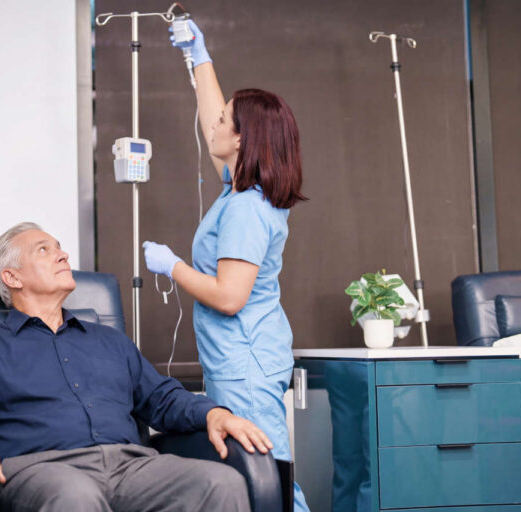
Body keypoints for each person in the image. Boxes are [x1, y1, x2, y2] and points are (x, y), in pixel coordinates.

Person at [0, 222, 275, 512]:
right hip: (43, 470)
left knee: (220, 483)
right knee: (74, 496)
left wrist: (213, 413)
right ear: (12, 278)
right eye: (44, 249)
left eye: (59, 246)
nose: (63, 254)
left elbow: (163, 399)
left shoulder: (108, 341)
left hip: (132, 466)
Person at [143, 19, 310, 512]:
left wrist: (171, 266)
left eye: (224, 125)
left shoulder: (245, 209)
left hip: (246, 367)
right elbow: (214, 114)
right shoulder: (239, 187)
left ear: (241, 141)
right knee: (255, 476)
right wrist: (199, 56)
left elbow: (230, 296)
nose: (213, 126)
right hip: (241, 361)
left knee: (270, 482)